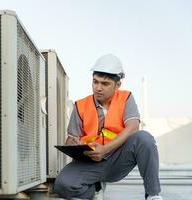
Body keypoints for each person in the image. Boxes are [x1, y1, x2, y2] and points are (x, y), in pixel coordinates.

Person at [54, 54, 163, 200]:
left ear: (117, 85)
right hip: (90, 161)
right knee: (62, 185)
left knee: (145, 138)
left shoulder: (126, 98)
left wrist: (105, 149)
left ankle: (153, 194)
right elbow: (71, 138)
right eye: (95, 82)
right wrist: (74, 144)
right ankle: (94, 190)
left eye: (105, 84)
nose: (98, 88)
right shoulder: (80, 106)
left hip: (118, 159)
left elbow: (133, 126)